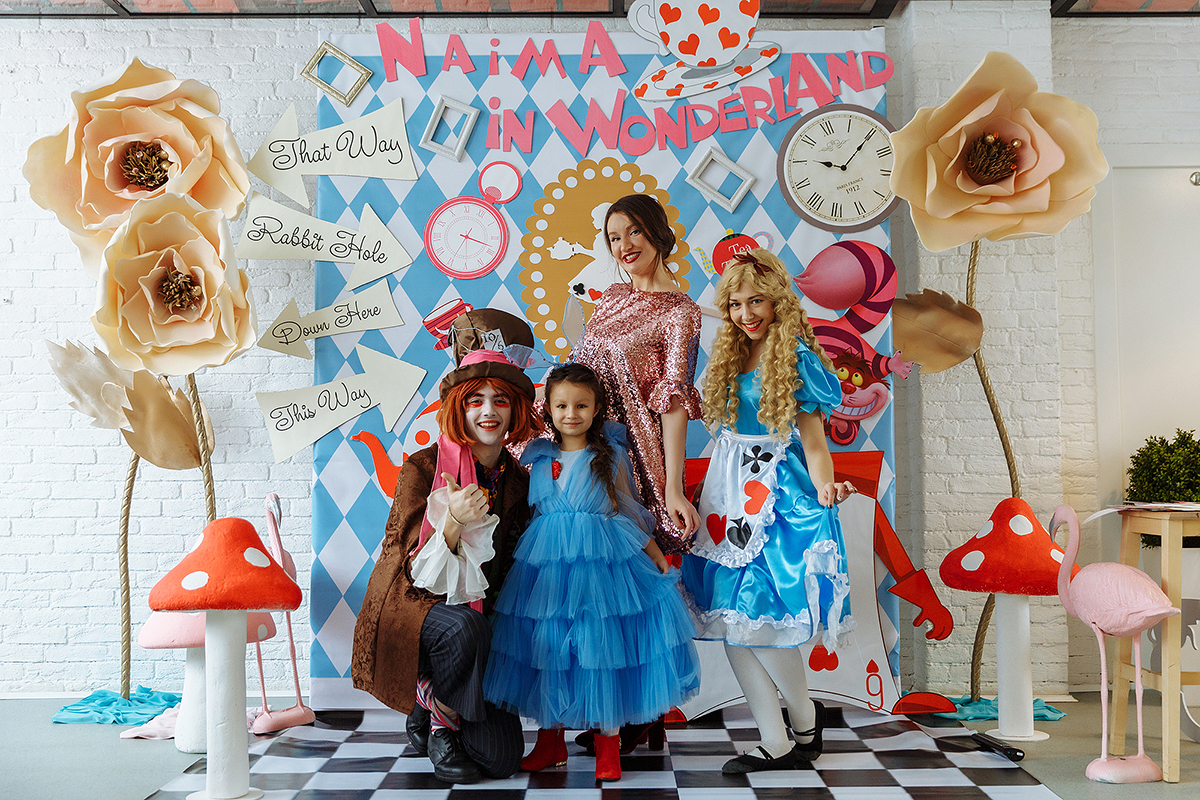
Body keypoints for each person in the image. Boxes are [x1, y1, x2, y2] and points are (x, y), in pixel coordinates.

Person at [682, 249, 857, 774]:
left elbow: (816, 443)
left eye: (756, 301)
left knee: (758, 619)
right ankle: (784, 735)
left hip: (777, 495)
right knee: (733, 624)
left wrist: (826, 488)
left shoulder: (796, 357)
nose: (746, 314)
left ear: (778, 300)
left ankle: (798, 725)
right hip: (728, 495)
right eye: (736, 304)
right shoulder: (731, 353)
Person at [483, 362, 700, 782]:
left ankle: (608, 744)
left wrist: (654, 550)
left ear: (597, 408)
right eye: (562, 405)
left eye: (581, 405)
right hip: (547, 569)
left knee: (599, 652)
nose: (571, 414)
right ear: (549, 409)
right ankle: (550, 743)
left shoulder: (611, 454)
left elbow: (626, 509)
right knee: (548, 651)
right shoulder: (538, 457)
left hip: (602, 566)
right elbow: (532, 511)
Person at [351, 309, 541, 785]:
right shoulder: (422, 467)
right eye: (475, 400)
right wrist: (452, 520)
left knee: (502, 759)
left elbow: (509, 568)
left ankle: (428, 699)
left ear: (515, 409)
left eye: (500, 400)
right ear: (459, 407)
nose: (488, 411)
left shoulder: (519, 481)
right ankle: (441, 724)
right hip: (415, 608)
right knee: (463, 626)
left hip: (478, 625)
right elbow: (409, 567)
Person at [572, 193, 703, 557]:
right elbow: (581, 368)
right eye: (614, 238)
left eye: (634, 232)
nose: (624, 246)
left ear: (657, 233)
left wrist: (673, 487)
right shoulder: (612, 296)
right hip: (581, 436)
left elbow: (673, 402)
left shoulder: (680, 312)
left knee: (624, 554)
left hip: (630, 455)